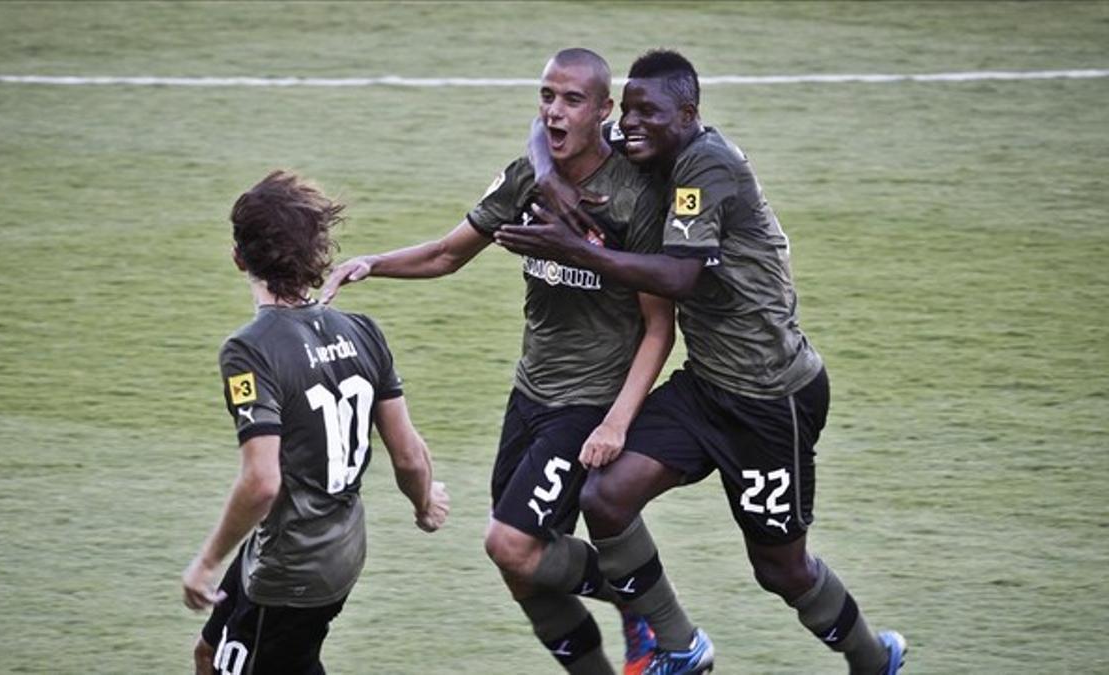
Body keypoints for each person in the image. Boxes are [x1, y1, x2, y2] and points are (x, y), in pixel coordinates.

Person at [495, 49, 906, 675]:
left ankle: (873, 659)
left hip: (773, 398)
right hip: (705, 387)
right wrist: (548, 173)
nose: (629, 126)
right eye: (625, 111)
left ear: (688, 115)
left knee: (781, 569)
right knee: (606, 498)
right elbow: (552, 130)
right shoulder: (646, 142)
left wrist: (574, 248)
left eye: (647, 114)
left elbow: (681, 275)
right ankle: (680, 647)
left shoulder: (707, 165)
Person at [321, 49, 674, 675]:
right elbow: (444, 255)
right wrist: (372, 264)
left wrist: (616, 421)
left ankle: (640, 599)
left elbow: (657, 326)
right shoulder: (527, 180)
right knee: (521, 573)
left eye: (571, 100)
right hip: (530, 392)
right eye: (546, 97)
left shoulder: (633, 196)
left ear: (603, 111)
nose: (554, 111)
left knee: (509, 544)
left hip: (588, 402)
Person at [181, 170, 450, 675]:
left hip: (292, 564)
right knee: (211, 654)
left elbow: (262, 482)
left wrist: (207, 561)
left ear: (239, 256)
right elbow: (409, 454)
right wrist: (425, 503)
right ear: (316, 254)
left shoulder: (249, 351)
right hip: (335, 549)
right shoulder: (362, 331)